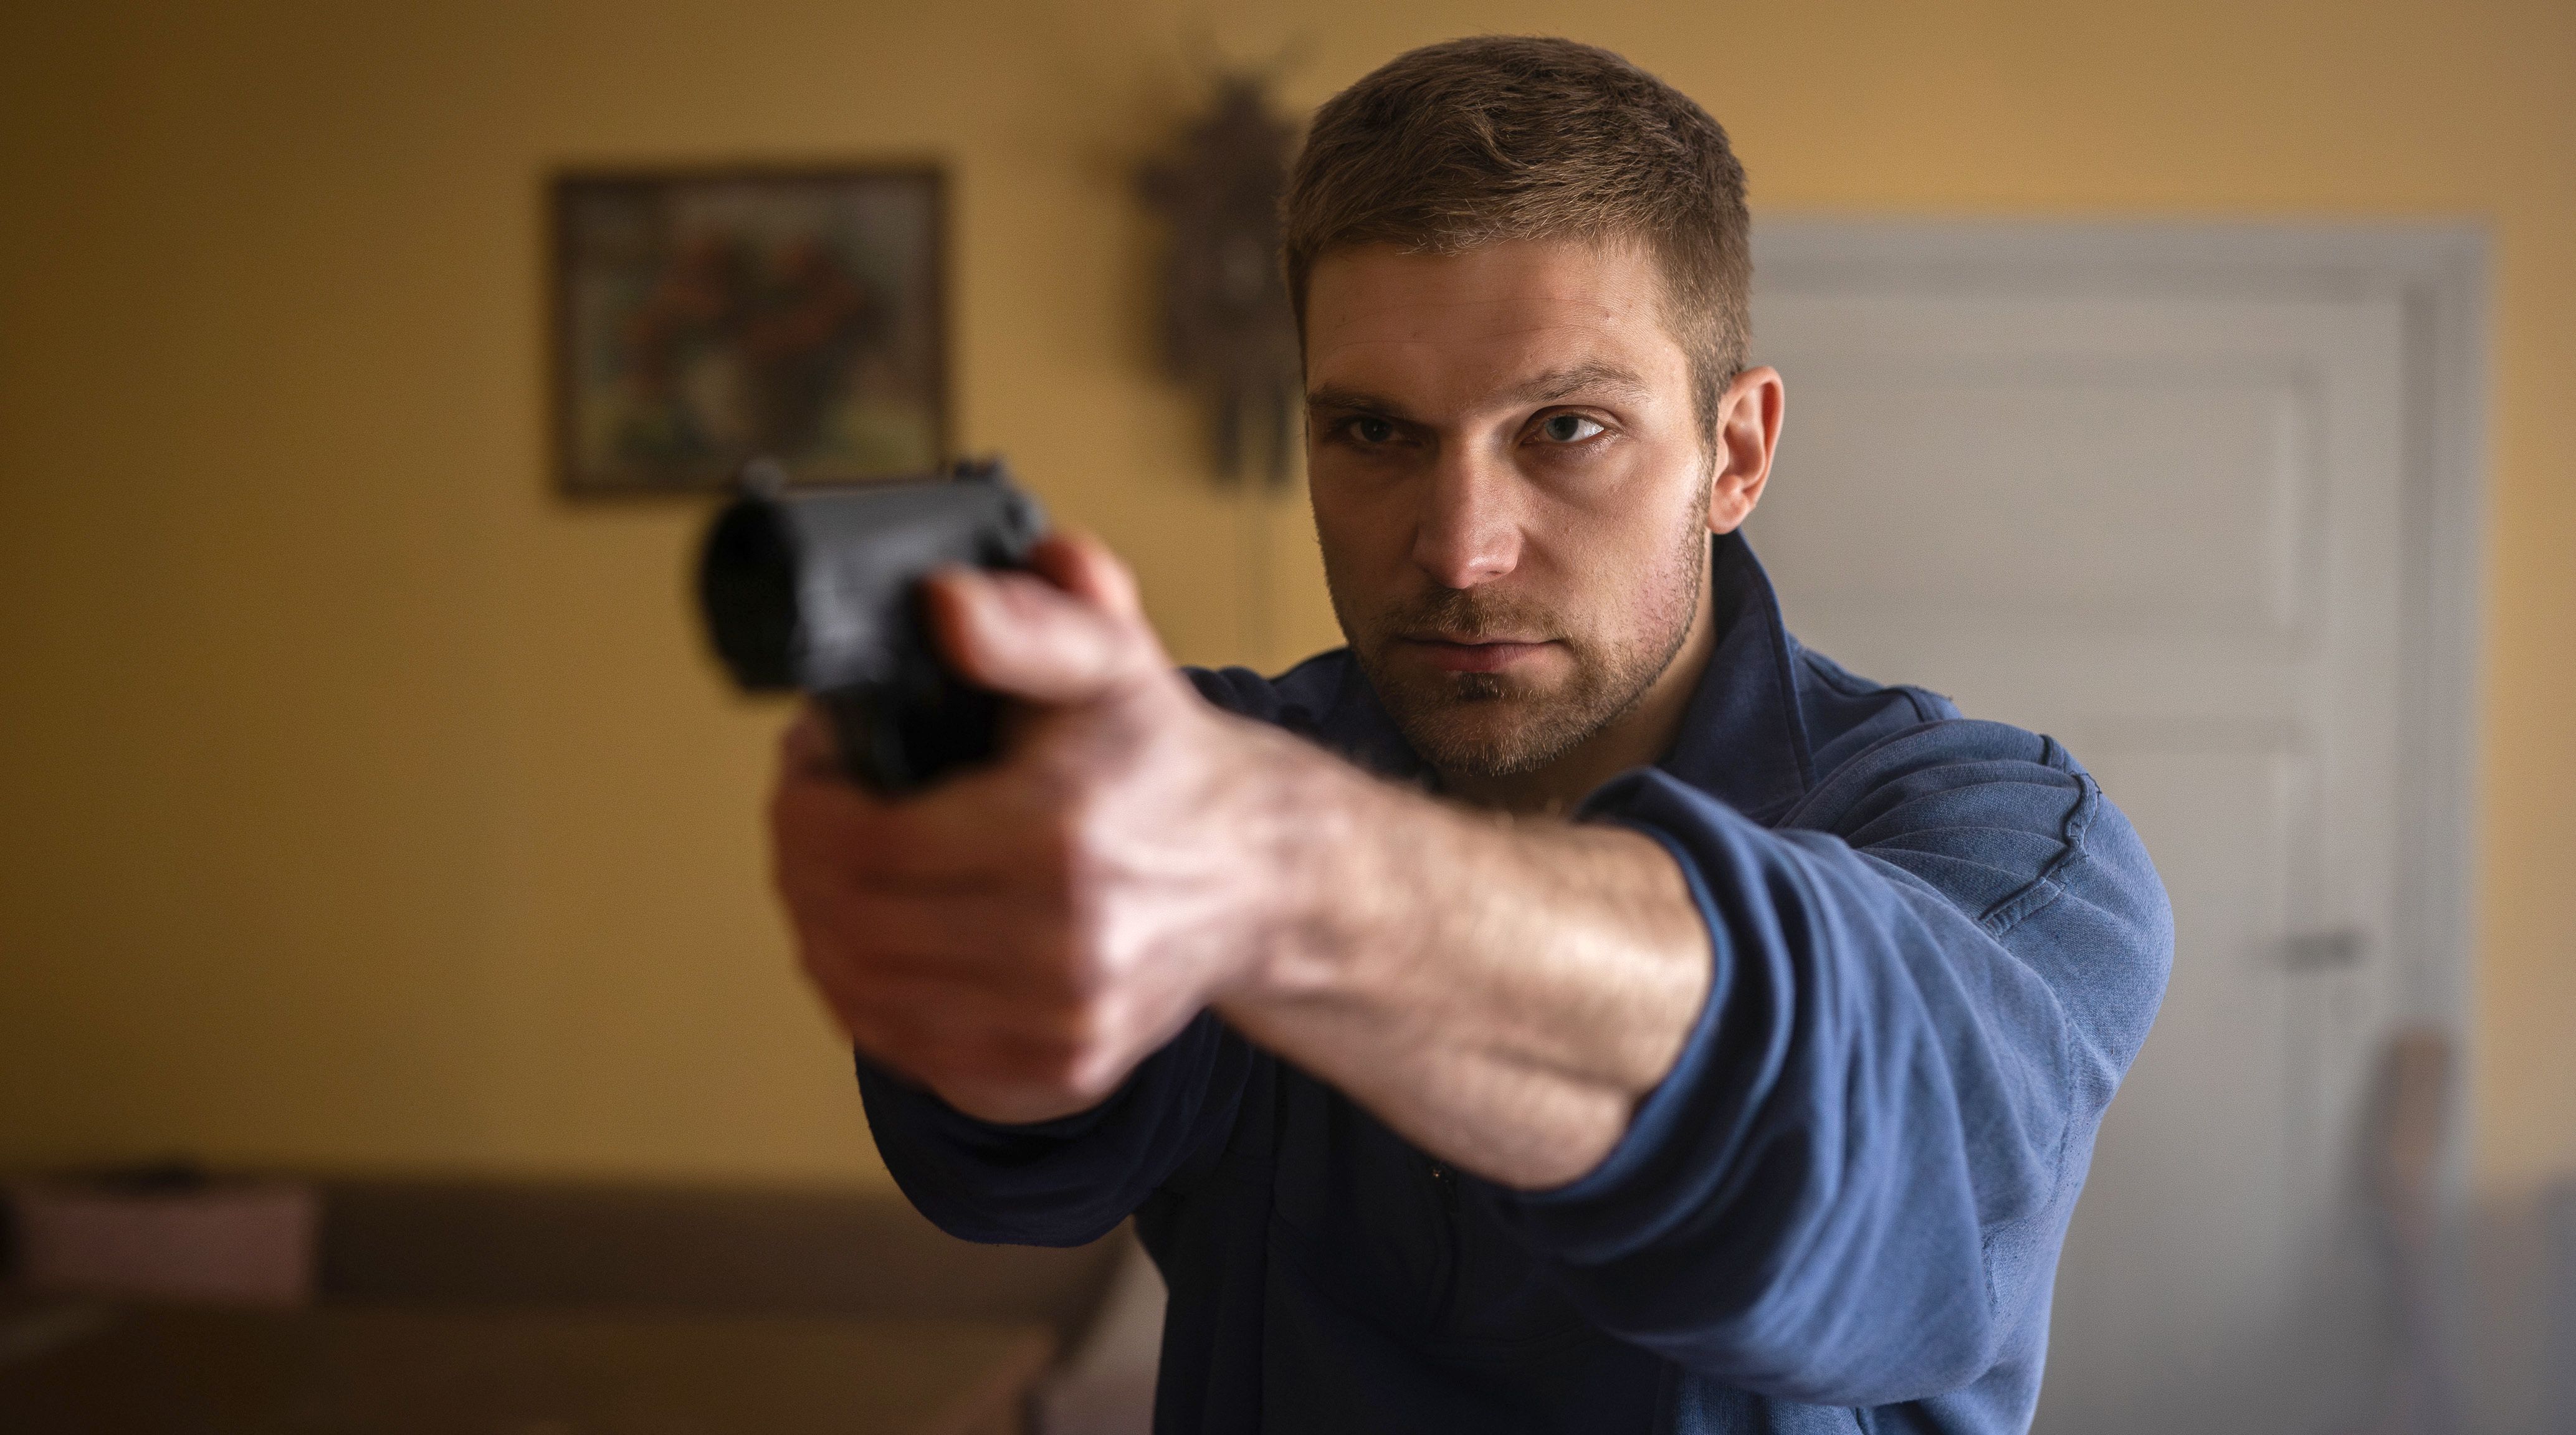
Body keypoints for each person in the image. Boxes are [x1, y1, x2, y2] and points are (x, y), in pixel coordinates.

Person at [768, 35, 2172, 1435]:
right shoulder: (1212, 762)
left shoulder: (2001, 840)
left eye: (1565, 428)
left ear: (1734, 454)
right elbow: (1017, 1173)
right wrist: (983, 951)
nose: (1458, 549)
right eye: (1375, 434)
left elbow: (1878, 1159)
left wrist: (1277, 872)